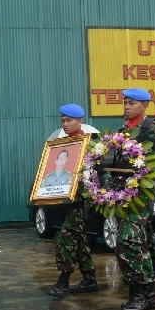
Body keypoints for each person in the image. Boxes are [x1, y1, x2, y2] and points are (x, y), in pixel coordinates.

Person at [115, 88, 155, 310]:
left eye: (131, 103)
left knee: (127, 241)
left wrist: (145, 171)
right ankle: (148, 295)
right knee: (139, 243)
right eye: (125, 103)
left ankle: (137, 294)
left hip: (141, 195)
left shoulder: (154, 128)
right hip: (122, 195)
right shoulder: (122, 130)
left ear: (144, 106)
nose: (127, 106)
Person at [47, 104, 100, 298]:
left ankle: (63, 281)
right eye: (63, 120)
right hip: (65, 200)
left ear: (80, 121)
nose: (65, 124)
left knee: (66, 239)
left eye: (69, 120)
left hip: (80, 202)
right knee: (78, 240)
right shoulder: (60, 143)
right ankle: (89, 278)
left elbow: (93, 174)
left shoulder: (89, 144)